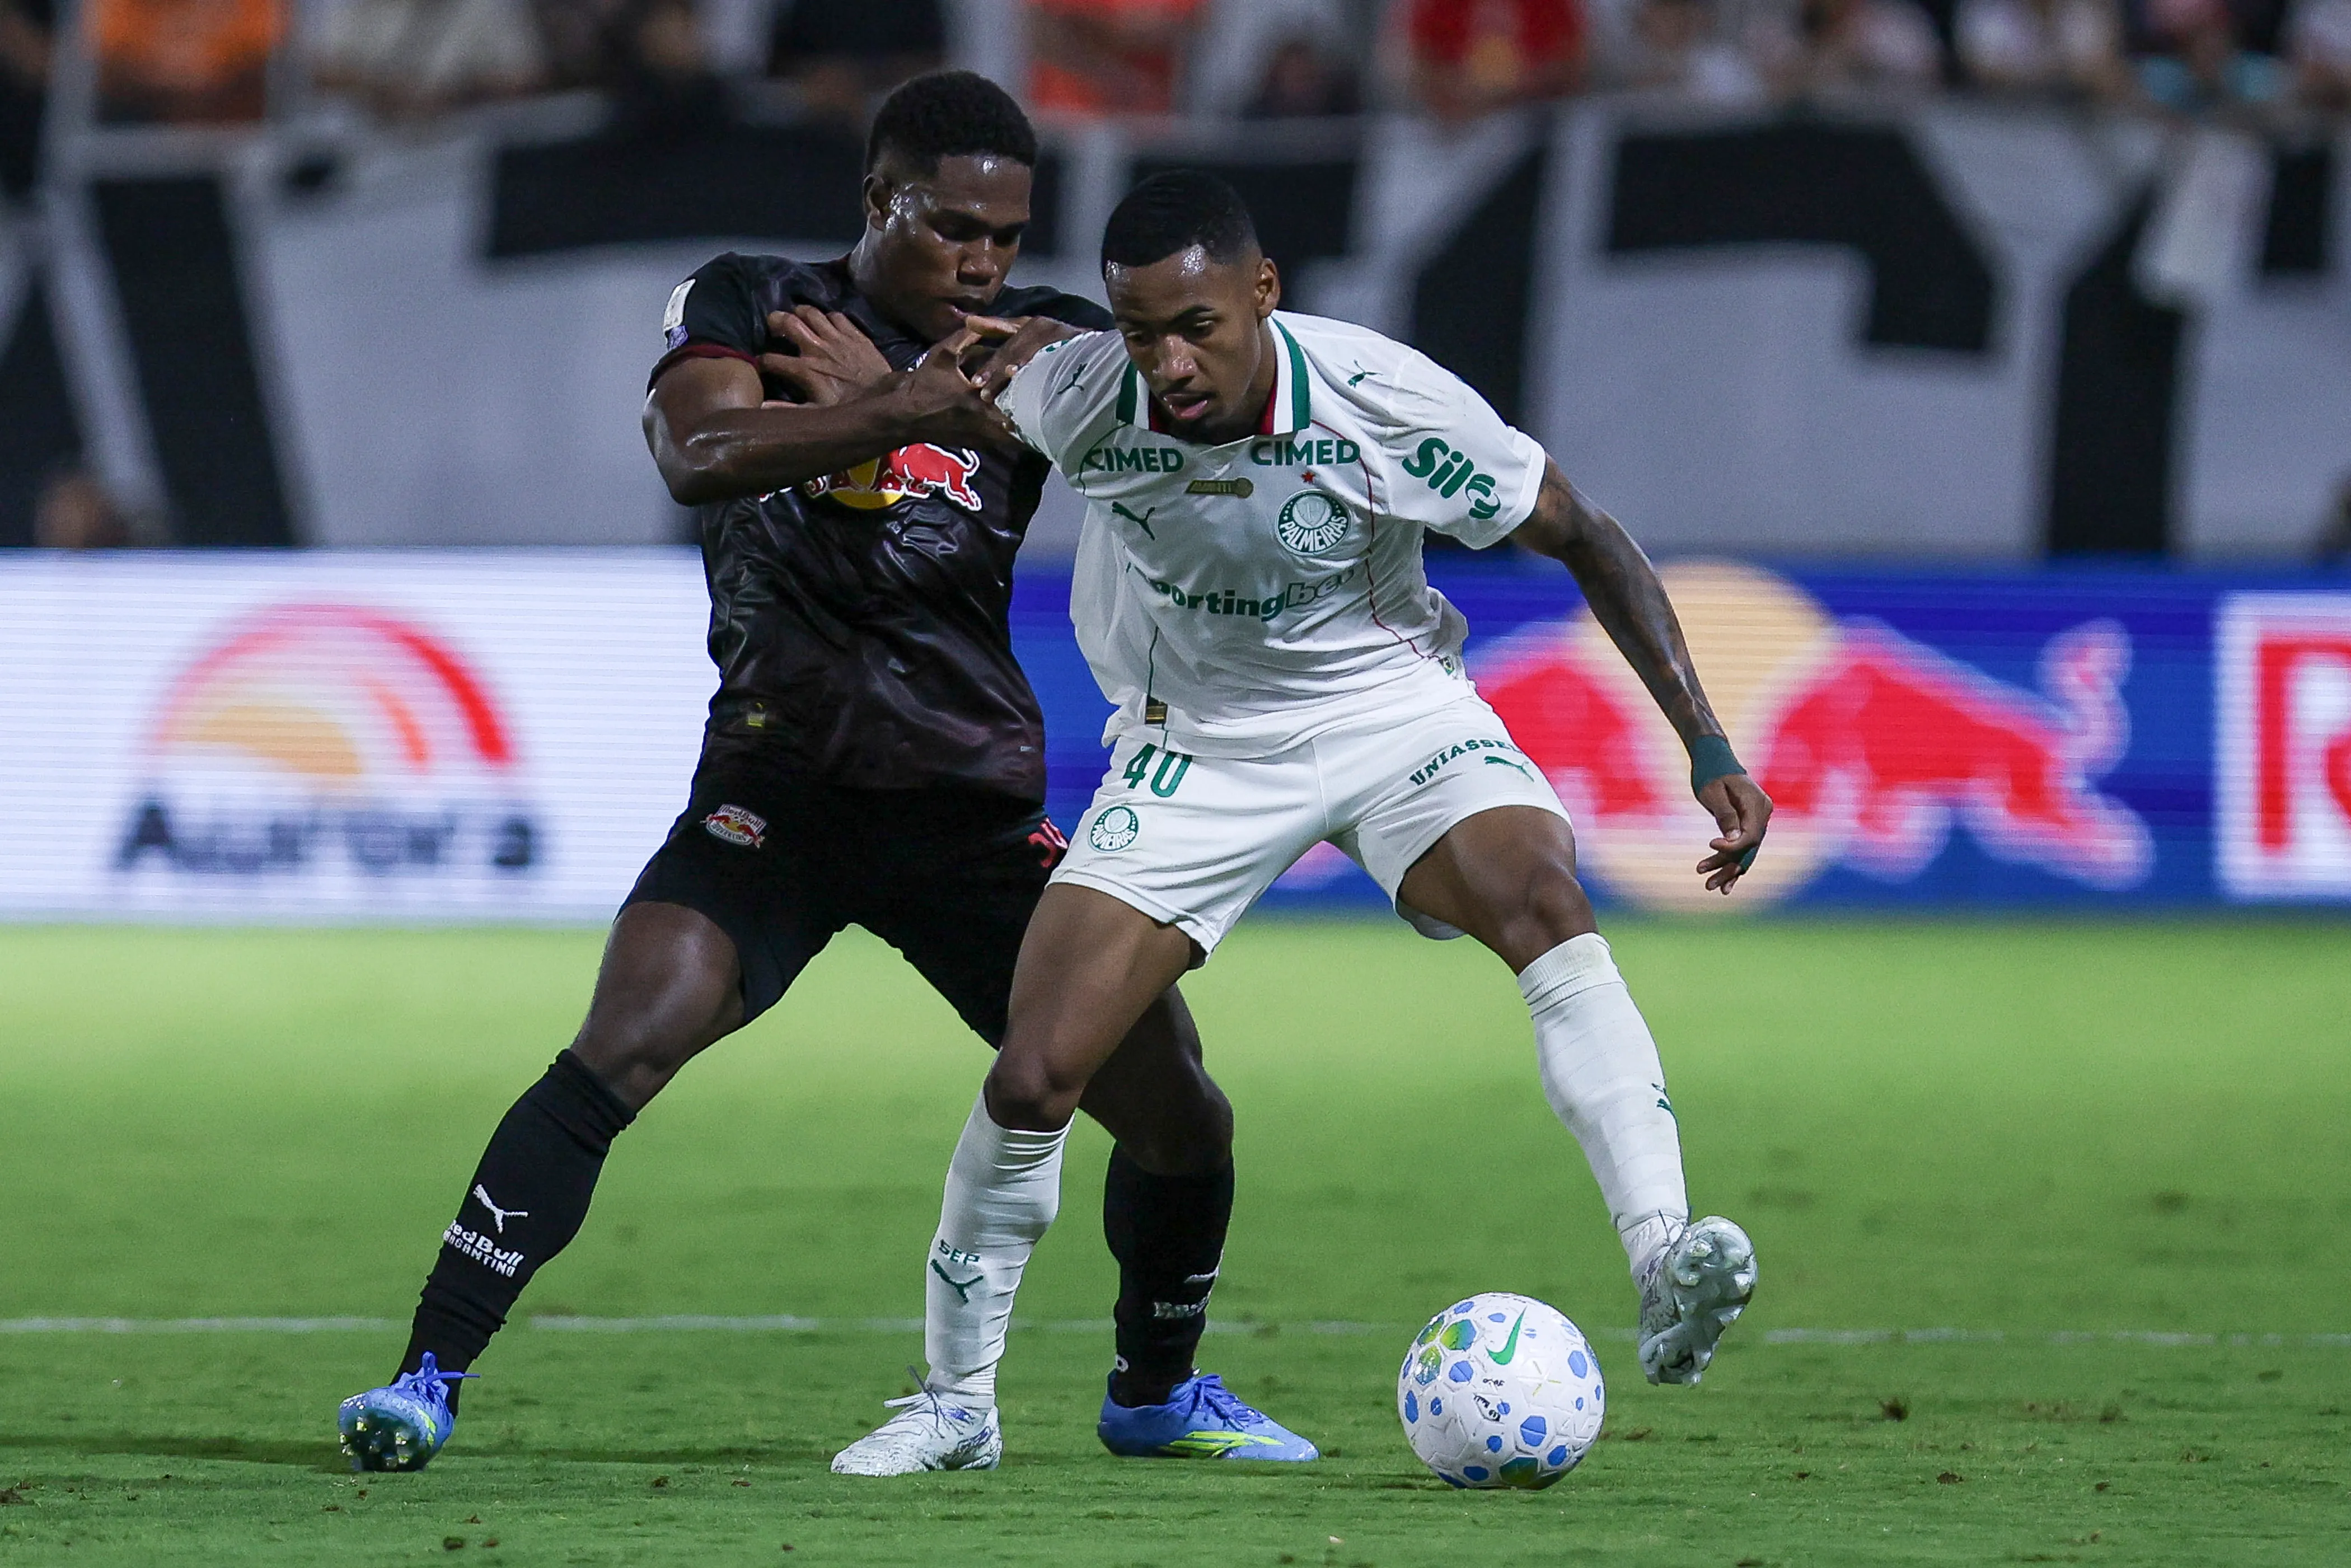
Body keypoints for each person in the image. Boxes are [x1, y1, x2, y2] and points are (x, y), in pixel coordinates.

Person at [333, 74, 1311, 1481]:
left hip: (970, 811)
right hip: (774, 795)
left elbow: (1210, 432)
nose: (982, 257)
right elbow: (698, 453)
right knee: (618, 1046)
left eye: (1006, 230)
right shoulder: (749, 300)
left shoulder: (1047, 345)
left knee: (1179, 1110)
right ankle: (425, 1373)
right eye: (953, 225)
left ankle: (1155, 1389)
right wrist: (897, 409)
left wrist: (966, 407)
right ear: (877, 203)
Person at [898, 170, 1769, 1421]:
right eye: (1139, 331)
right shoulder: (1087, 393)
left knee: (1541, 900)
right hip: (1192, 744)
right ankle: (954, 1405)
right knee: (1037, 1073)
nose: (1168, 362)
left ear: (1263, 293)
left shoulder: (1387, 403)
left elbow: (1585, 532)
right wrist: (862, 391)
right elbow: (971, 384)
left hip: (1390, 710)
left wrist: (1704, 741)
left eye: (1195, 325)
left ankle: (1662, 1252)